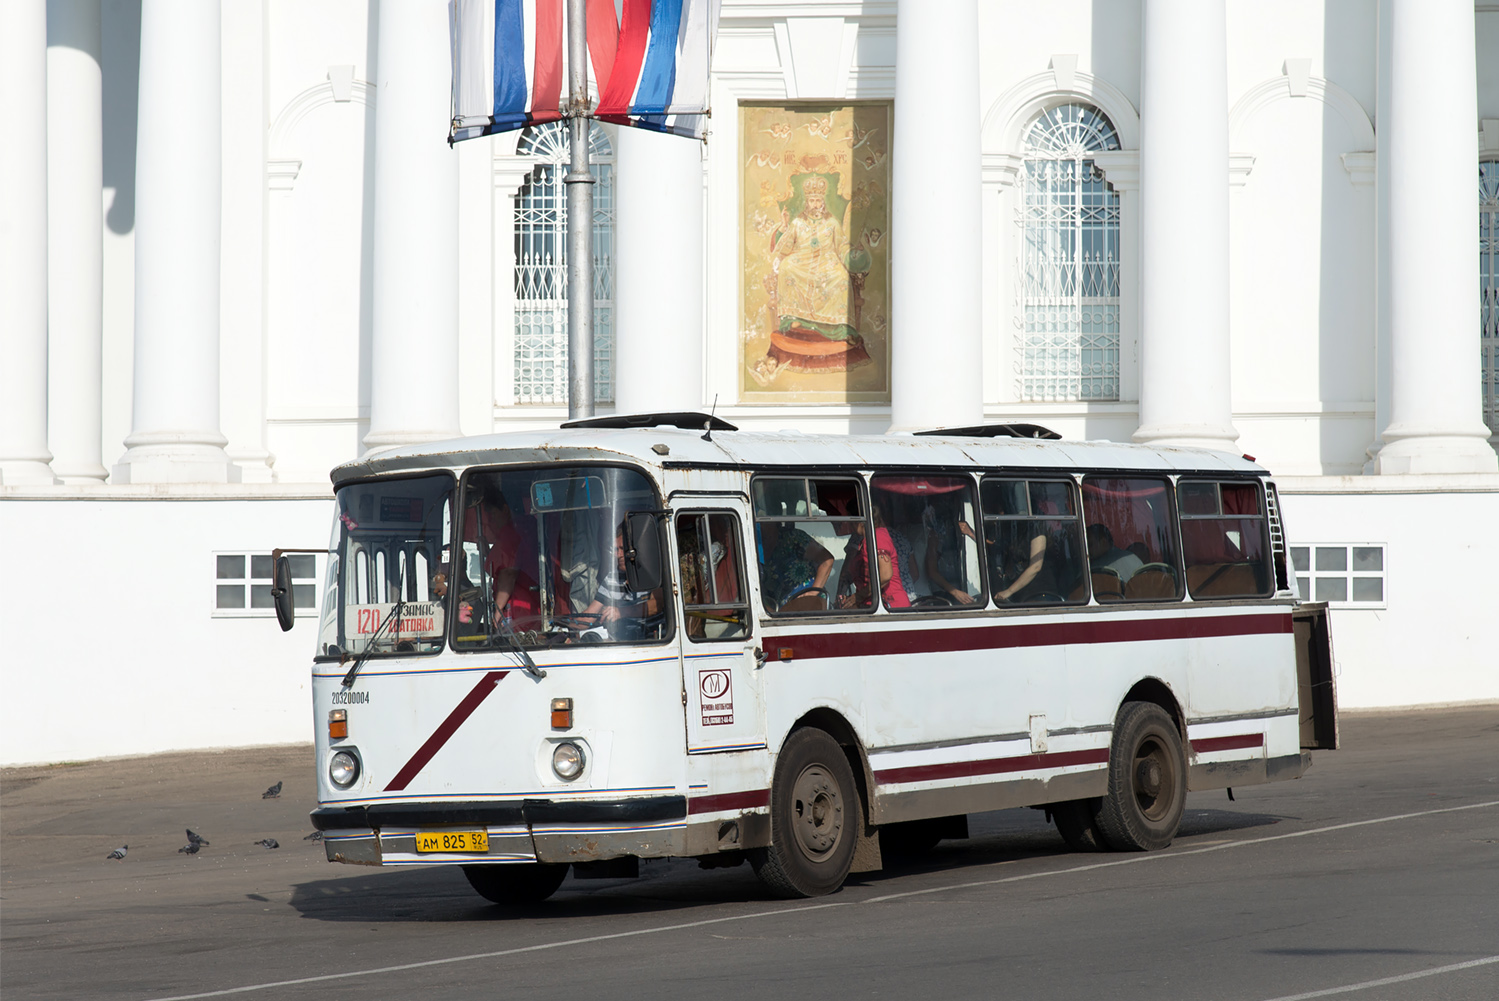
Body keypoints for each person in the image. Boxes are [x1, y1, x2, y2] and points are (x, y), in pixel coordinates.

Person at [583, 524, 663, 636]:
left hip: (654, 642)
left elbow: (657, 604)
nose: (618, 555)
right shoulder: (612, 578)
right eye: (616, 550)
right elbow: (590, 615)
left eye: (622, 549)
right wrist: (563, 623)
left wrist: (621, 612)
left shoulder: (652, 574)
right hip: (623, 642)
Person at [759, 520, 835, 608]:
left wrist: (812, 593)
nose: (761, 526)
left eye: (763, 521)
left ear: (774, 522)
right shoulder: (752, 545)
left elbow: (826, 561)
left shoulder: (794, 538)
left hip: (811, 608)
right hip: (780, 614)